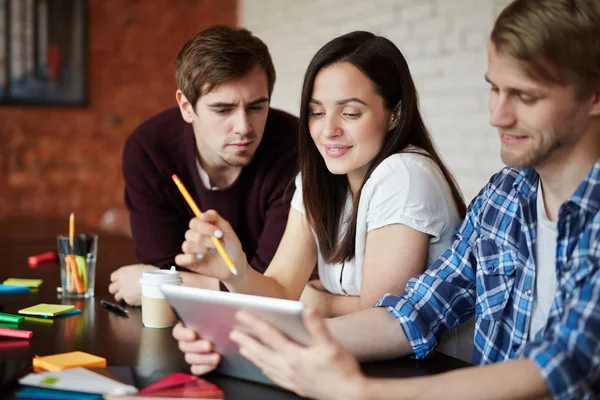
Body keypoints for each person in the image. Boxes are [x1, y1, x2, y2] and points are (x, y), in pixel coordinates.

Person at [175, 0, 600, 398]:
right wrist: (244, 342)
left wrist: (362, 391)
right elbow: (413, 313)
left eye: (525, 96)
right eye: (494, 90)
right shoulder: (503, 198)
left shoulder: (405, 173)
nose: (497, 116)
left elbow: (567, 360)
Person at [174, 29, 475, 362]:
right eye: (317, 112)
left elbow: (378, 318)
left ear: (395, 113)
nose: (328, 129)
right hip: (345, 365)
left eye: (350, 113)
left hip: (424, 375)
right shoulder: (317, 179)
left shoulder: (403, 173)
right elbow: (282, 291)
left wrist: (320, 301)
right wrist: (237, 271)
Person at [109, 25, 298, 306]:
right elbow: (162, 262)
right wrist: (233, 284)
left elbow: (273, 287)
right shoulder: (149, 148)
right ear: (186, 107)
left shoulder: (294, 145)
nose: (244, 127)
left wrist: (163, 284)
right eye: (223, 110)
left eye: (257, 107)